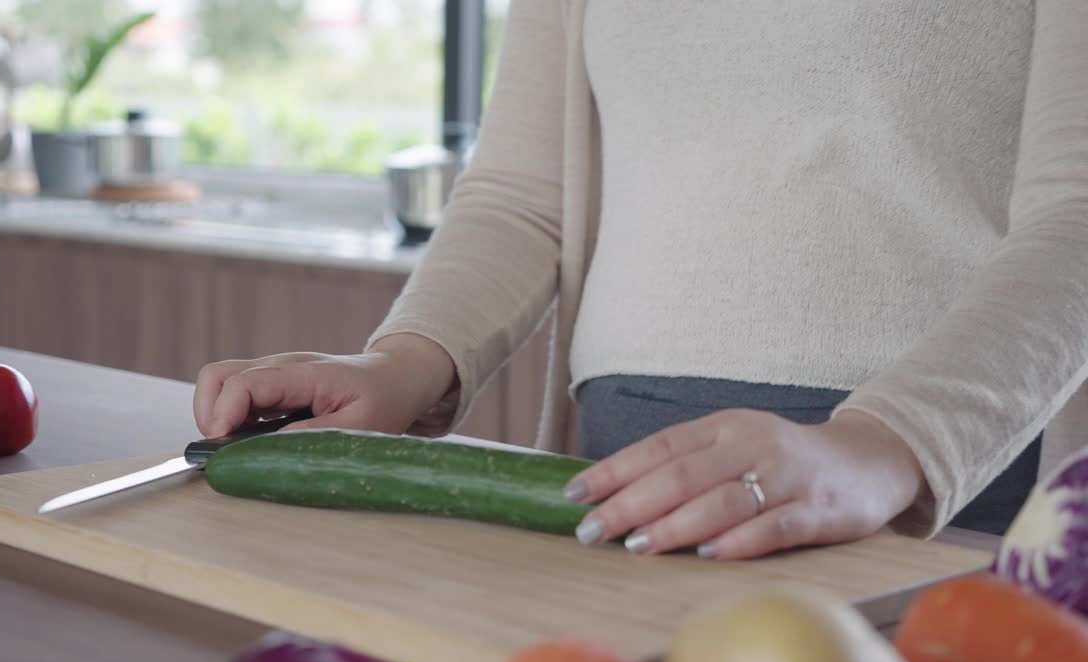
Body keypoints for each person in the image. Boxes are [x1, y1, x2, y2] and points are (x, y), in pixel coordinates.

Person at [193, 1, 1088, 560]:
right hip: (617, 493)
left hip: (940, 492)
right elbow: (519, 197)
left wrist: (884, 445)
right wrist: (400, 365)